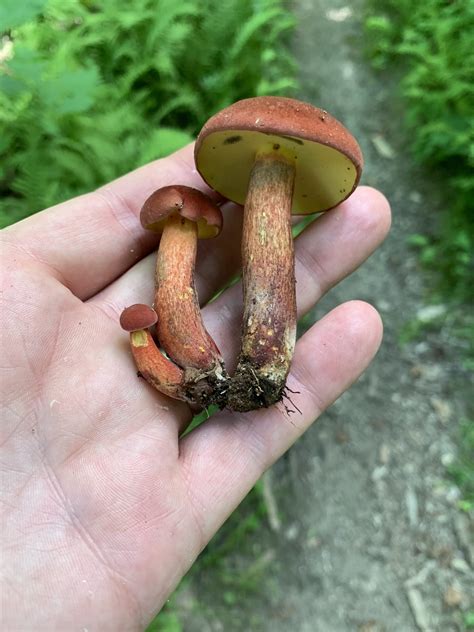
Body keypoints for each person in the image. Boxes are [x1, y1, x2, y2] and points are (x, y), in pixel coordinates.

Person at [0, 144, 391, 630]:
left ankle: (261, 364)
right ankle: (222, 370)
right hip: (183, 356)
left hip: (239, 345)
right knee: (192, 333)